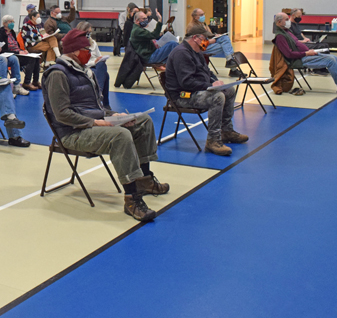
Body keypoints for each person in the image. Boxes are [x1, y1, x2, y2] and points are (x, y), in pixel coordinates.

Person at [43, 29, 167, 221]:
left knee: (143, 121)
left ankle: (145, 179)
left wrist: (113, 115)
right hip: (72, 133)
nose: (90, 54)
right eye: (86, 49)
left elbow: (97, 107)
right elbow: (62, 114)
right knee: (121, 136)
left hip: (91, 125)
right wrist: (95, 122)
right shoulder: (57, 75)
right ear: (75, 51)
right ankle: (131, 198)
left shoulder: (84, 72)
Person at [165, 23, 250, 156]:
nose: (207, 42)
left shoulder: (197, 51)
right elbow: (186, 82)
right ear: (195, 38)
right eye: (205, 38)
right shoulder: (181, 53)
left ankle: (226, 131)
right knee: (217, 97)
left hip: (194, 90)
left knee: (229, 90)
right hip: (182, 95)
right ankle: (213, 140)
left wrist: (214, 82)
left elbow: (207, 72)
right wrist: (209, 87)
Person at [273, 12, 337, 95]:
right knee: (331, 60)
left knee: (334, 57)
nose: (289, 21)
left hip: (304, 55)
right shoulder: (280, 36)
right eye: (286, 19)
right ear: (280, 21)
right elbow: (289, 54)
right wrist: (306, 53)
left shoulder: (287, 31)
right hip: (299, 59)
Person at [189, 8, 240, 77]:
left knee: (225, 39)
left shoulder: (203, 24)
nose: (203, 16)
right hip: (200, 46)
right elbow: (197, 42)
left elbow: (210, 34)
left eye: (203, 14)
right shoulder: (193, 27)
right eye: (201, 15)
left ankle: (230, 61)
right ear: (195, 17)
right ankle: (233, 68)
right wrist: (210, 41)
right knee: (226, 47)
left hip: (207, 42)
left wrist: (215, 36)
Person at [0, 15, 41, 91]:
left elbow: (16, 44)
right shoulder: (1, 34)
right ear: (4, 23)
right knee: (31, 60)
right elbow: (4, 50)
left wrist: (22, 50)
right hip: (10, 55)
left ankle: (35, 81)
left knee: (36, 58)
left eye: (13, 22)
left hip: (17, 53)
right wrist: (18, 52)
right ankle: (26, 82)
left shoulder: (12, 32)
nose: (12, 23)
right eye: (10, 22)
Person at [76, 21, 112, 111]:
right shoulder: (76, 44)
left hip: (96, 66)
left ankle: (101, 97)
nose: (89, 34)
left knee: (102, 65)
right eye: (87, 32)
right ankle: (103, 102)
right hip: (85, 67)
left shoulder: (93, 43)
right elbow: (80, 62)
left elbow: (98, 55)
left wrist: (100, 59)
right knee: (105, 75)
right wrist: (94, 62)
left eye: (90, 32)